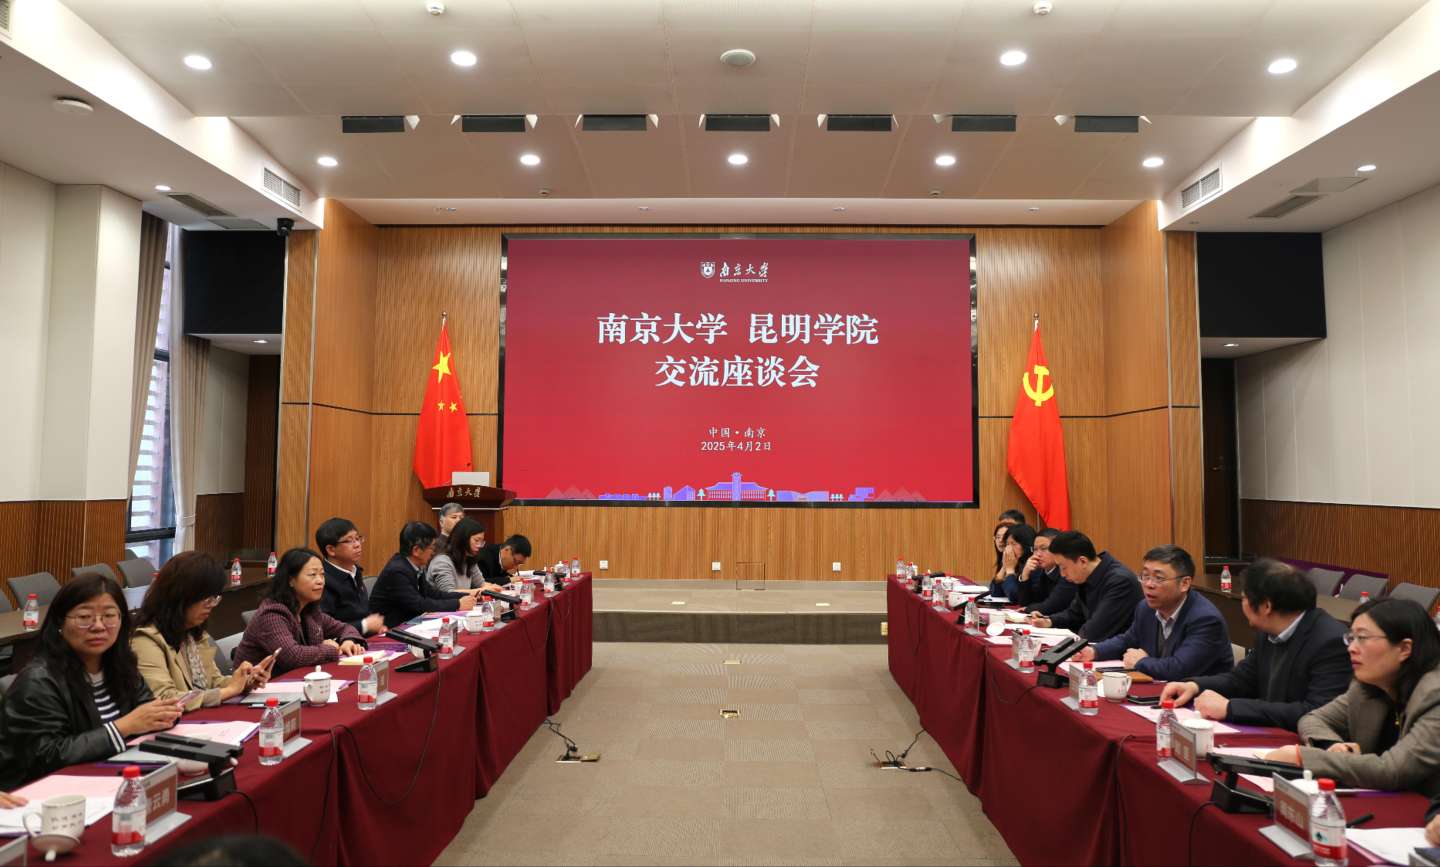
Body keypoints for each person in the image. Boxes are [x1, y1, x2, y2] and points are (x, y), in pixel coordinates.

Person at [0, 573, 181, 790]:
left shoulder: (121, 665)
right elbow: (45, 756)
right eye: (85, 617)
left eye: (109, 616)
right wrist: (123, 727)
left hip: (113, 779)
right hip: (49, 793)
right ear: (60, 623)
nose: (98, 626)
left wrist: (164, 714)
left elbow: (145, 715)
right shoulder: (38, 681)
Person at [1263, 597, 1440, 797]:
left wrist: (1304, 758)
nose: (1351, 648)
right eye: (1351, 638)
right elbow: (1314, 719)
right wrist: (1333, 746)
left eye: (1362, 638)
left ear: (1404, 649)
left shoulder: (1434, 695)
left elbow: (1392, 771)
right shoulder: (1369, 685)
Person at [1160, 559, 1350, 730]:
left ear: (1266, 606)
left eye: (1244, 598)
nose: (1242, 603)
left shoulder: (1330, 642)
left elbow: (1315, 712)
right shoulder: (1268, 630)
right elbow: (1242, 680)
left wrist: (1230, 708)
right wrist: (1194, 686)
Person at [132, 552, 273, 711]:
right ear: (180, 595)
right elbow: (164, 699)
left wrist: (245, 681)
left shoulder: (192, 634)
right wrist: (230, 690)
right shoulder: (145, 639)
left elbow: (212, 683)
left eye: (215, 598)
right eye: (206, 599)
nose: (211, 605)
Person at [1075, 545, 1232, 680]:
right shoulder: (1145, 608)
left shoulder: (1205, 619)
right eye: (1145, 576)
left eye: (1158, 578)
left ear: (1184, 583)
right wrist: (1094, 651)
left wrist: (1140, 662)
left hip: (1200, 700)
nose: (1149, 584)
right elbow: (1128, 640)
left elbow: (1180, 669)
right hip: (1158, 689)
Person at [235, 548, 367, 675]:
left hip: (297, 680)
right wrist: (332, 649)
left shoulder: (309, 609)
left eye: (322, 574)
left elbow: (346, 628)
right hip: (260, 686)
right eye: (312, 575)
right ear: (291, 580)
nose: (320, 581)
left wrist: (348, 641)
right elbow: (293, 656)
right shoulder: (272, 614)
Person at [1026, 531, 1141, 642]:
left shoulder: (1120, 581)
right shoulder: (1087, 575)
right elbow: (1074, 614)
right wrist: (1049, 621)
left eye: (1063, 567)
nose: (1062, 574)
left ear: (1083, 561)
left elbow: (1094, 631)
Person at [369, 522, 481, 628]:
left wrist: (465, 596)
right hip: (387, 630)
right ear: (416, 550)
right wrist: (457, 604)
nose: (433, 552)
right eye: (432, 547)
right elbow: (419, 604)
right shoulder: (397, 571)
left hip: (409, 625)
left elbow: (432, 593)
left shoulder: (414, 565)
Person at [316, 517, 385, 637]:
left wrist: (374, 627)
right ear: (331, 550)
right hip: (344, 644)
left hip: (365, 639)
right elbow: (323, 628)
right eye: (349, 541)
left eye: (358, 538)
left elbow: (362, 613)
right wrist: (365, 625)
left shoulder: (355, 571)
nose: (357, 545)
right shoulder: (322, 580)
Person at [428, 518, 505, 594]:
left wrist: (496, 588)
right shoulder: (442, 562)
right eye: (476, 540)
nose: (480, 546)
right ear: (463, 539)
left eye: (481, 542)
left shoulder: (469, 559)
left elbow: (481, 584)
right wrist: (481, 590)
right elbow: (448, 592)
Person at [1020, 528, 1074, 613]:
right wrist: (1025, 574)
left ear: (1058, 549)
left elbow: (1051, 606)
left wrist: (1027, 609)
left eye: (1043, 548)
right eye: (1035, 549)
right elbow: (1026, 602)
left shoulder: (1067, 572)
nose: (1038, 554)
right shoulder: (1041, 571)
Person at [989, 524, 1036, 602]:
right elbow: (995, 592)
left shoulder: (1033, 564)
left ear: (1026, 545)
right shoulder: (1016, 562)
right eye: (1007, 544)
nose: (1008, 548)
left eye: (1013, 544)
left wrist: (1010, 570)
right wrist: (1004, 567)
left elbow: (1014, 596)